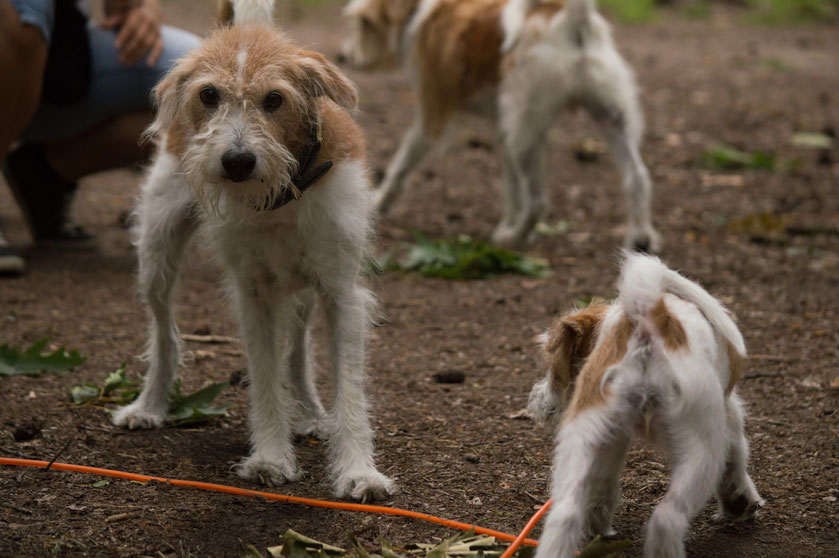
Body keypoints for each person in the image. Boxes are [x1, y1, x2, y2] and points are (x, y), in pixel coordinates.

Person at [0, 0, 200, 274]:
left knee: (196, 80)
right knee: (29, 10)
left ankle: (42, 175)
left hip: (64, 58)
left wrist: (141, 8)